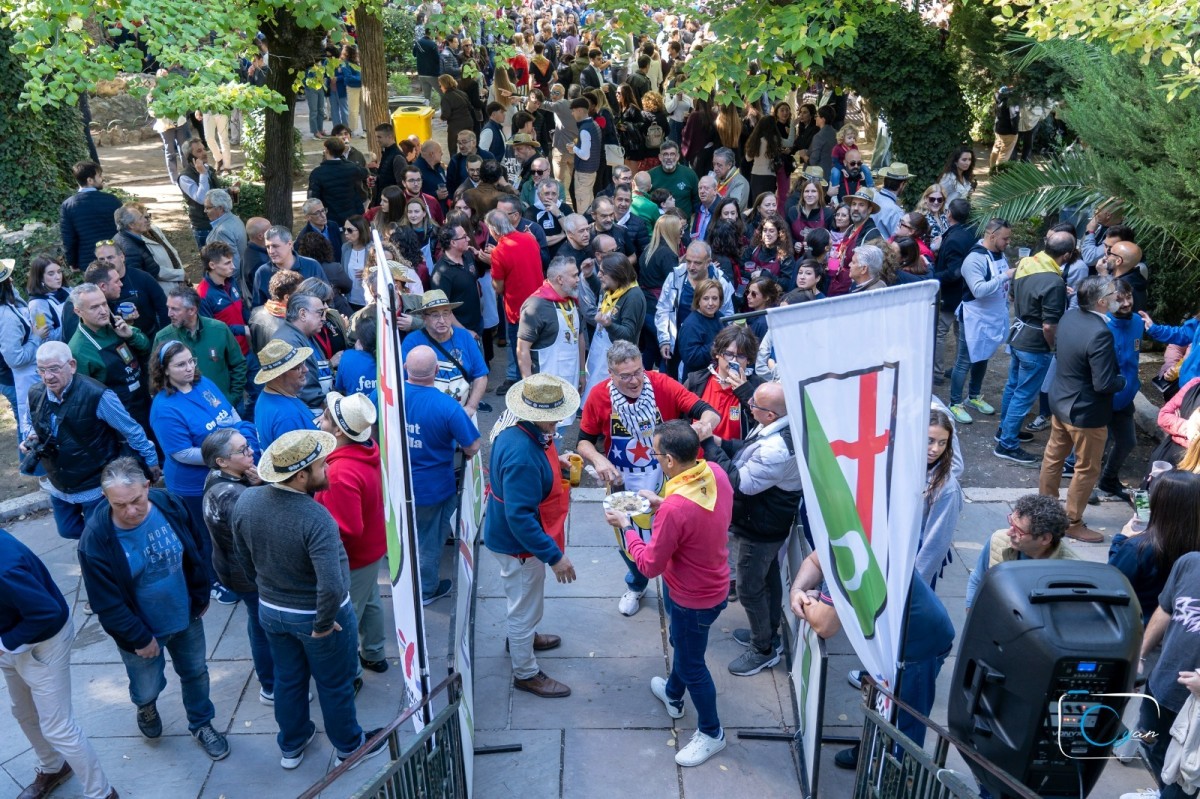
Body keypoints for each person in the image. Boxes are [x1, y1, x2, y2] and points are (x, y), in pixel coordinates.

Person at [230, 429, 385, 770]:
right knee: (335, 684)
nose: (328, 469)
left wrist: (267, 590)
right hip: (316, 616)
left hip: (272, 612)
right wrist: (324, 625)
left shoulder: (246, 501)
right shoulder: (316, 518)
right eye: (321, 465)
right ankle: (349, 747)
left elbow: (243, 559)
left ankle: (292, 745)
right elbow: (330, 586)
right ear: (301, 476)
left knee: (288, 679)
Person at [77, 457, 230, 761]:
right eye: (119, 505)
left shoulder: (168, 504)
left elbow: (195, 547)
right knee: (147, 687)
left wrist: (199, 596)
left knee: (196, 673)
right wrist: (139, 638)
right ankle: (145, 707)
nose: (130, 511)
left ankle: (201, 723)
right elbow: (107, 603)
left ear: (148, 486)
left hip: (185, 617)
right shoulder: (95, 540)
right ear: (105, 497)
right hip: (141, 632)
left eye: (136, 500)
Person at [604, 419, 733, 766]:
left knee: (693, 664)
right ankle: (674, 695)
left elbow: (648, 566)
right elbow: (700, 518)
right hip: (715, 583)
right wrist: (661, 503)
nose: (655, 457)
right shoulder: (714, 474)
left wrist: (628, 526)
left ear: (671, 460)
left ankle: (711, 732)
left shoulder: (676, 510)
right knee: (685, 646)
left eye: (657, 453)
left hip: (692, 597)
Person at [577, 340, 720, 616]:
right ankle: (636, 583)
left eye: (638, 372)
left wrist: (705, 424)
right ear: (611, 374)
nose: (634, 381)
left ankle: (673, 592)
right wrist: (598, 458)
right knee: (626, 536)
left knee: (672, 540)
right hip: (622, 483)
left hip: (667, 480)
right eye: (625, 376)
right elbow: (583, 442)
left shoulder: (661, 384)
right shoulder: (598, 396)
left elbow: (706, 410)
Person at [0, 528, 118, 799]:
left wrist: (3, 645)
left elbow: (45, 614)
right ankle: (53, 767)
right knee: (24, 712)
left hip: (45, 640)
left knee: (58, 727)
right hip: (10, 637)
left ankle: (102, 794)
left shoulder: (4, 569)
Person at [695, 381, 800, 676]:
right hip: (766, 521)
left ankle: (763, 649)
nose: (748, 405)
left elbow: (738, 484)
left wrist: (706, 445)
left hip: (760, 527)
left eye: (754, 404)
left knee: (749, 587)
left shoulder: (777, 450)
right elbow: (748, 449)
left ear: (770, 415)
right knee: (767, 578)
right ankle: (769, 633)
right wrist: (720, 443)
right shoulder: (779, 428)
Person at [485, 373, 577, 697]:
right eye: (554, 416)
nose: (559, 421)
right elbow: (520, 518)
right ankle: (525, 671)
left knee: (524, 601)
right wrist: (556, 557)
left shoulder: (518, 431)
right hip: (519, 547)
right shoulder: (524, 454)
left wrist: (557, 462)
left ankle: (522, 638)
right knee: (524, 606)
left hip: (511, 541)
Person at [24, 342, 160, 542]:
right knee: (67, 530)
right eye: (41, 370)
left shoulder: (97, 395)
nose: (47, 377)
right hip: (60, 482)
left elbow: (131, 429)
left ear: (71, 365)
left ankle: (109, 552)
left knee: (99, 534)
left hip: (94, 483)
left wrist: (151, 459)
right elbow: (29, 423)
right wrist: (30, 436)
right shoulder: (35, 393)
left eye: (54, 369)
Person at [1038, 276, 1126, 543]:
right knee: (1087, 468)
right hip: (1086, 412)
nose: (1118, 298)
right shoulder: (1100, 332)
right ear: (1101, 302)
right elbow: (1104, 383)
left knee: (1053, 457)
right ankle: (1072, 521)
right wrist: (1122, 381)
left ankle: (1045, 510)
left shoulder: (1070, 317)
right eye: (1113, 294)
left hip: (1061, 400)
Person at [199, 427, 279, 709]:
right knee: (262, 626)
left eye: (248, 446)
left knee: (258, 622)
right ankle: (270, 686)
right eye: (243, 450)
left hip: (235, 567)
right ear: (221, 461)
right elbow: (266, 525)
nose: (251, 452)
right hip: (246, 574)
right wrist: (264, 486)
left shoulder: (228, 478)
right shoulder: (230, 494)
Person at [313, 392, 389, 675]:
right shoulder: (367, 449)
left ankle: (350, 675)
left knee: (346, 617)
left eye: (325, 418)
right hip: (372, 548)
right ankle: (374, 653)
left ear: (338, 431)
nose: (319, 421)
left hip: (354, 559)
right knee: (370, 602)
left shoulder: (340, 472)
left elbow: (347, 529)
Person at [404, 347, 482, 604]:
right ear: (437, 371)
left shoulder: (387, 396)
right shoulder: (447, 406)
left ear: (405, 368)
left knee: (403, 531)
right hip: (432, 488)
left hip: (395, 482)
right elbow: (472, 445)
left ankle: (403, 578)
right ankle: (426, 589)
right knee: (429, 537)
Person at [993, 231, 1072, 464]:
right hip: (1035, 344)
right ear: (1066, 255)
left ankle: (1005, 430)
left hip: (1018, 336)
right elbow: (1049, 325)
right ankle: (1007, 444)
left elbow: (1012, 297)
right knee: (1024, 395)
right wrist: (1054, 348)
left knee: (1013, 387)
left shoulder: (1026, 263)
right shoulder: (1054, 281)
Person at [1108, 470, 1200, 624]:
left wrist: (1120, 539)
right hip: (1174, 626)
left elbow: (1111, 582)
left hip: (1133, 624)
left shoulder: (1136, 548)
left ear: (1157, 504)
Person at [947, 218, 1014, 424]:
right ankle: (954, 403)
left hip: (992, 316)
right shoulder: (974, 259)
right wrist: (1005, 276)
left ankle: (974, 396)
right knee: (964, 360)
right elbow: (978, 290)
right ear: (992, 236)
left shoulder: (999, 254)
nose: (1008, 243)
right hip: (974, 318)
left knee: (983, 356)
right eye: (1005, 238)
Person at [966, 493, 1078, 611]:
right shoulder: (998, 540)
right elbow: (978, 579)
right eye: (1011, 523)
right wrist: (971, 613)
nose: (1009, 533)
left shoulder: (1073, 571)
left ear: (1045, 538)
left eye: (1018, 530)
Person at [68, 281, 152, 434]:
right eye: (94, 307)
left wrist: (131, 335)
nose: (103, 311)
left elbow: (146, 346)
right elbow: (85, 399)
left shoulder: (117, 325)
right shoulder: (78, 349)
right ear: (78, 311)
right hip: (121, 418)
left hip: (145, 400)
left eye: (104, 304)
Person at [152, 285, 247, 407]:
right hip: (188, 413)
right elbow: (157, 377)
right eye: (168, 308)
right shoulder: (162, 338)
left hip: (224, 405)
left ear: (192, 310)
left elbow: (238, 364)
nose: (169, 314)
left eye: (175, 309)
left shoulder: (219, 329)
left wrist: (232, 398)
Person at [401, 290, 489, 414]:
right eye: (435, 315)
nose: (442, 320)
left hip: (462, 413)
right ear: (424, 318)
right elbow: (404, 382)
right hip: (426, 415)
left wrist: (471, 407)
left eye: (446, 313)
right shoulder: (412, 342)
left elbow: (480, 376)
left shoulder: (464, 337)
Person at [655, 241, 735, 375]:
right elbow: (663, 309)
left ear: (708, 262)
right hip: (676, 344)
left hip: (707, 347)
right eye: (688, 261)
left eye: (697, 263)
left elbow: (728, 315)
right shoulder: (675, 277)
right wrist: (664, 339)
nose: (691, 267)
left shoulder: (722, 281)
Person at [489, 208, 545, 393]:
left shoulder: (499, 251)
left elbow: (498, 287)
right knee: (539, 351)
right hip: (540, 304)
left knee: (521, 352)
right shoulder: (529, 238)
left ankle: (527, 390)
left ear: (494, 230)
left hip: (517, 311)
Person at [582, 252, 645, 398]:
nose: (599, 275)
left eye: (603, 273)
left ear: (617, 275)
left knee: (605, 398)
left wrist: (608, 325)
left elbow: (629, 334)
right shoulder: (614, 287)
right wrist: (589, 276)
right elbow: (601, 287)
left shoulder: (633, 296)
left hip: (617, 359)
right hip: (599, 354)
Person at [0, 259, 47, 439]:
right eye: (8, 278)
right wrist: (36, 337)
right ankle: (29, 467)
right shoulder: (6, 317)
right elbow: (15, 359)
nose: (12, 280)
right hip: (14, 380)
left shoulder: (9, 304)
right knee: (29, 429)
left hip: (9, 378)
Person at [932, 198, 974, 382]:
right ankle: (958, 367)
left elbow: (954, 272)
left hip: (952, 295)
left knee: (940, 332)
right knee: (960, 333)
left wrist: (933, 277)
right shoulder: (969, 232)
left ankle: (937, 373)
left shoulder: (955, 239)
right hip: (964, 294)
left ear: (949, 213)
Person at [252, 339, 319, 447]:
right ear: (278, 375)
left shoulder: (266, 397)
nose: (306, 369)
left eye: (303, 363)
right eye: (298, 367)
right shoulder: (287, 418)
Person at [61, 162, 122, 271]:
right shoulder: (112, 200)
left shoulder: (68, 205)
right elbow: (123, 229)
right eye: (99, 176)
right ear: (90, 180)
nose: (102, 179)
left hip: (89, 263)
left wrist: (73, 262)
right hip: (114, 257)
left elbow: (69, 239)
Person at [251, 226, 328, 308]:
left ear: (290, 244)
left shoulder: (312, 266)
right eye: (267, 247)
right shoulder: (262, 272)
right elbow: (257, 308)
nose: (271, 251)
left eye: (275, 246)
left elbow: (327, 299)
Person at [196, 241, 251, 356]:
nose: (233, 266)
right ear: (212, 265)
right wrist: (242, 330)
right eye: (227, 263)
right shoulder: (203, 295)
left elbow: (241, 308)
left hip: (247, 349)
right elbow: (209, 330)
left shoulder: (231, 281)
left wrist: (252, 323)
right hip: (229, 356)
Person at [308, 138, 369, 227]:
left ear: (327, 151)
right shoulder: (351, 168)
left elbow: (313, 198)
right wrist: (344, 160)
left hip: (331, 217)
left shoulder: (317, 173)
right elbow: (364, 172)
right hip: (352, 215)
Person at [676, 279, 726, 374]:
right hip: (698, 381)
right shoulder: (690, 325)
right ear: (698, 300)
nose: (711, 303)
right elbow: (691, 358)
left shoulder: (720, 316)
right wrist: (718, 344)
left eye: (715, 298)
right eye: (706, 298)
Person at [203, 190, 248, 277]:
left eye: (208, 208)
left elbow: (233, 264)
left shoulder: (222, 232)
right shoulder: (235, 219)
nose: (205, 211)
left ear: (220, 208)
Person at [26, 255, 71, 343]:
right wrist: (76, 323)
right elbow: (47, 338)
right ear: (40, 277)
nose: (58, 277)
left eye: (59, 272)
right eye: (51, 274)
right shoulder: (37, 305)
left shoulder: (67, 290)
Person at [571, 98, 602, 212]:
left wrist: (573, 148)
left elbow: (585, 155)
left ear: (579, 110)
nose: (572, 113)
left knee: (582, 206)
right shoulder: (594, 124)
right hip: (592, 171)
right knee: (589, 204)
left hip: (583, 173)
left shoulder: (584, 129)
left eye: (573, 110)